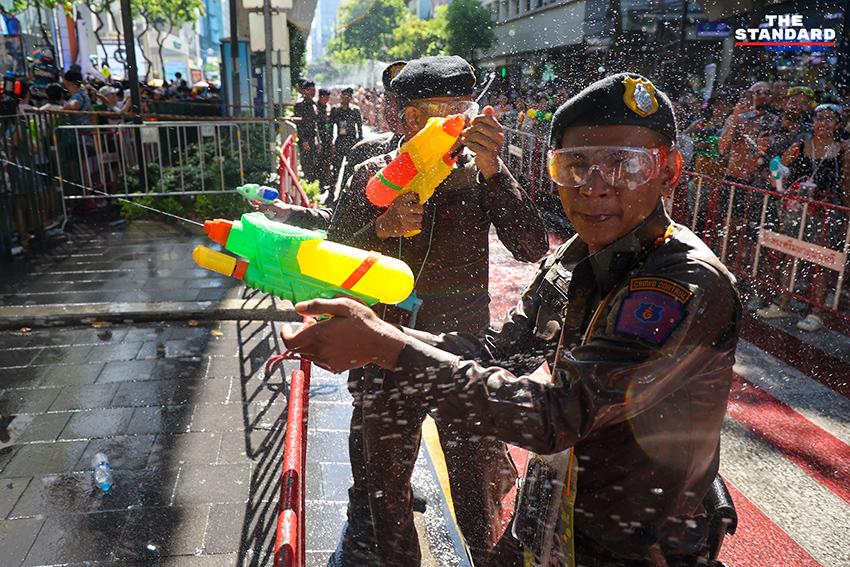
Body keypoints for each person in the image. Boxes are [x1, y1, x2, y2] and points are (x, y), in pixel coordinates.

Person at [281, 73, 741, 567]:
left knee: (476, 491)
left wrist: (387, 347)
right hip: (551, 525)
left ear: (668, 171)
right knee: (383, 492)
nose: (595, 188)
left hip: (632, 551)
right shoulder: (578, 256)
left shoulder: (681, 282)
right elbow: (506, 350)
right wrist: (382, 336)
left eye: (625, 165)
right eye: (575, 165)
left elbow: (559, 415)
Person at [324, 55, 549, 567]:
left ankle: (481, 554)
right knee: (382, 491)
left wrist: (495, 169)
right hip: (386, 348)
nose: (460, 122)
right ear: (410, 119)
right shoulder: (371, 173)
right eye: (445, 111)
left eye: (464, 109)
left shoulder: (479, 172)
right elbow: (332, 260)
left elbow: (532, 246)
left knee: (476, 486)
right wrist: (380, 230)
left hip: (461, 354)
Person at [757, 103, 850, 331]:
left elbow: (846, 185)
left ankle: (816, 312)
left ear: (838, 124)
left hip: (827, 212)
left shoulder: (843, 151)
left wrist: (847, 216)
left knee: (822, 260)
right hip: (797, 210)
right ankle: (782, 304)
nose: (823, 123)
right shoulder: (799, 146)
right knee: (791, 256)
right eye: (820, 118)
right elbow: (776, 170)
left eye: (829, 119)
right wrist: (778, 180)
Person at [716, 81, 781, 268]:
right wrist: (735, 119)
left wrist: (761, 151)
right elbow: (722, 148)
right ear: (749, 96)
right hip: (735, 182)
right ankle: (723, 270)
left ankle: (746, 276)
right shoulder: (737, 118)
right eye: (757, 92)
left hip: (762, 188)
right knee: (729, 232)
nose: (762, 95)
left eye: (766, 92)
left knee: (754, 239)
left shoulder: (776, 121)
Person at [328, 86, 363, 202]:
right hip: (340, 140)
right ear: (341, 96)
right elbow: (330, 126)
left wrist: (360, 144)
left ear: (351, 97)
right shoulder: (335, 110)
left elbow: (360, 128)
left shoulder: (355, 110)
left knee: (349, 167)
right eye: (344, 95)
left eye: (349, 96)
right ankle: (331, 190)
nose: (346, 98)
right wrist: (330, 141)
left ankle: (345, 191)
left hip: (352, 142)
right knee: (336, 166)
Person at [294, 78, 322, 184]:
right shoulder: (300, 105)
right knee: (307, 164)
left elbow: (316, 124)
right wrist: (304, 140)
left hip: (313, 138)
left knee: (315, 163)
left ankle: (313, 184)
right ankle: (307, 184)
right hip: (305, 138)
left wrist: (319, 141)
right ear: (305, 91)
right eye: (310, 90)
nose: (312, 92)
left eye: (314, 90)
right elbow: (299, 125)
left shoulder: (314, 104)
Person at [316, 87, 334, 191]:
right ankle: (318, 183)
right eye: (324, 97)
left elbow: (331, 125)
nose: (326, 100)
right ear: (319, 96)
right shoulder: (315, 107)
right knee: (318, 162)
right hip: (318, 138)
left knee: (327, 161)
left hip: (327, 138)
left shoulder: (328, 107)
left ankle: (325, 181)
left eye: (327, 97)